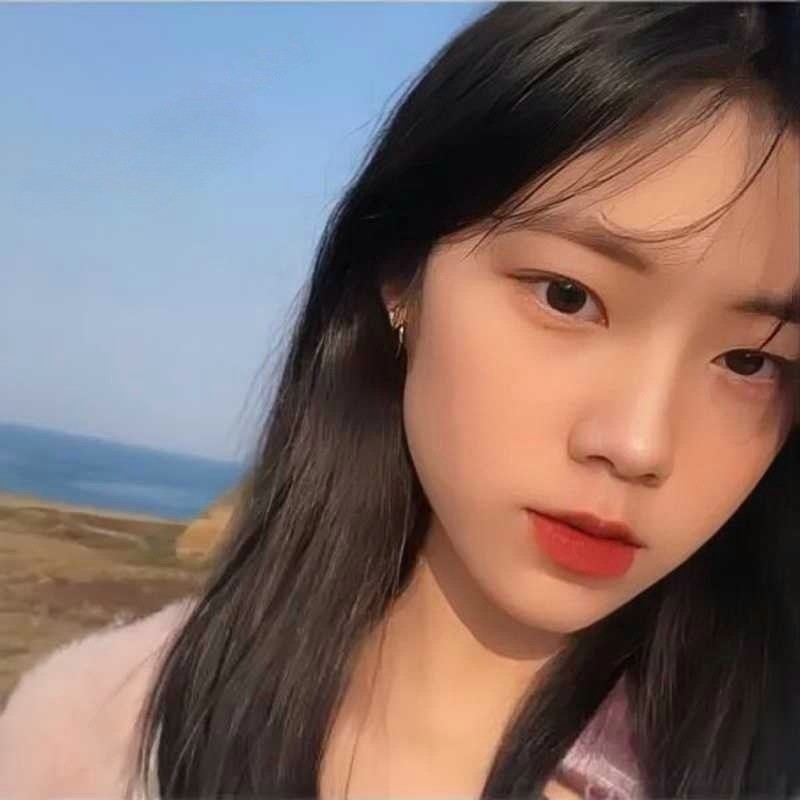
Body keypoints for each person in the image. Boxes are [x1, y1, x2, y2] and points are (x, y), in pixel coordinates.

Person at [1, 3, 799, 798]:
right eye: (567, 296)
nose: (637, 444)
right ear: (399, 277)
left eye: (750, 361)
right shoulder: (94, 742)